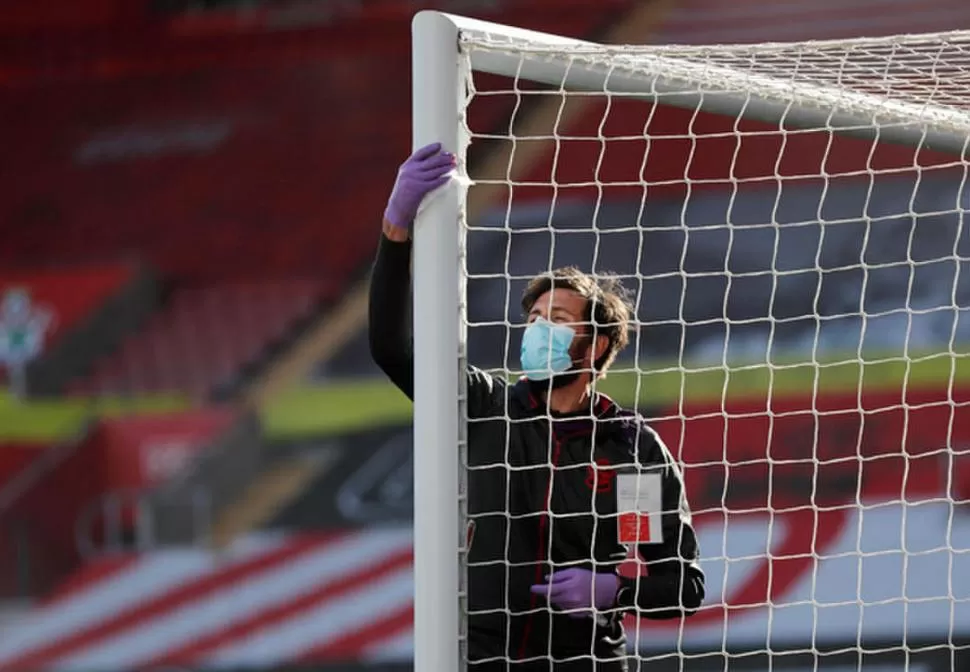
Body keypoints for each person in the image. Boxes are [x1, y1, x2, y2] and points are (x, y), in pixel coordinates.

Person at [369, 143, 705, 672]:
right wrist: (395, 228)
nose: (537, 331)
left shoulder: (628, 449)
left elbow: (680, 584)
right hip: (476, 659)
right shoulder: (482, 407)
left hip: (583, 660)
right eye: (534, 319)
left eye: (558, 319)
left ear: (595, 346)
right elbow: (390, 348)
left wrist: (613, 588)